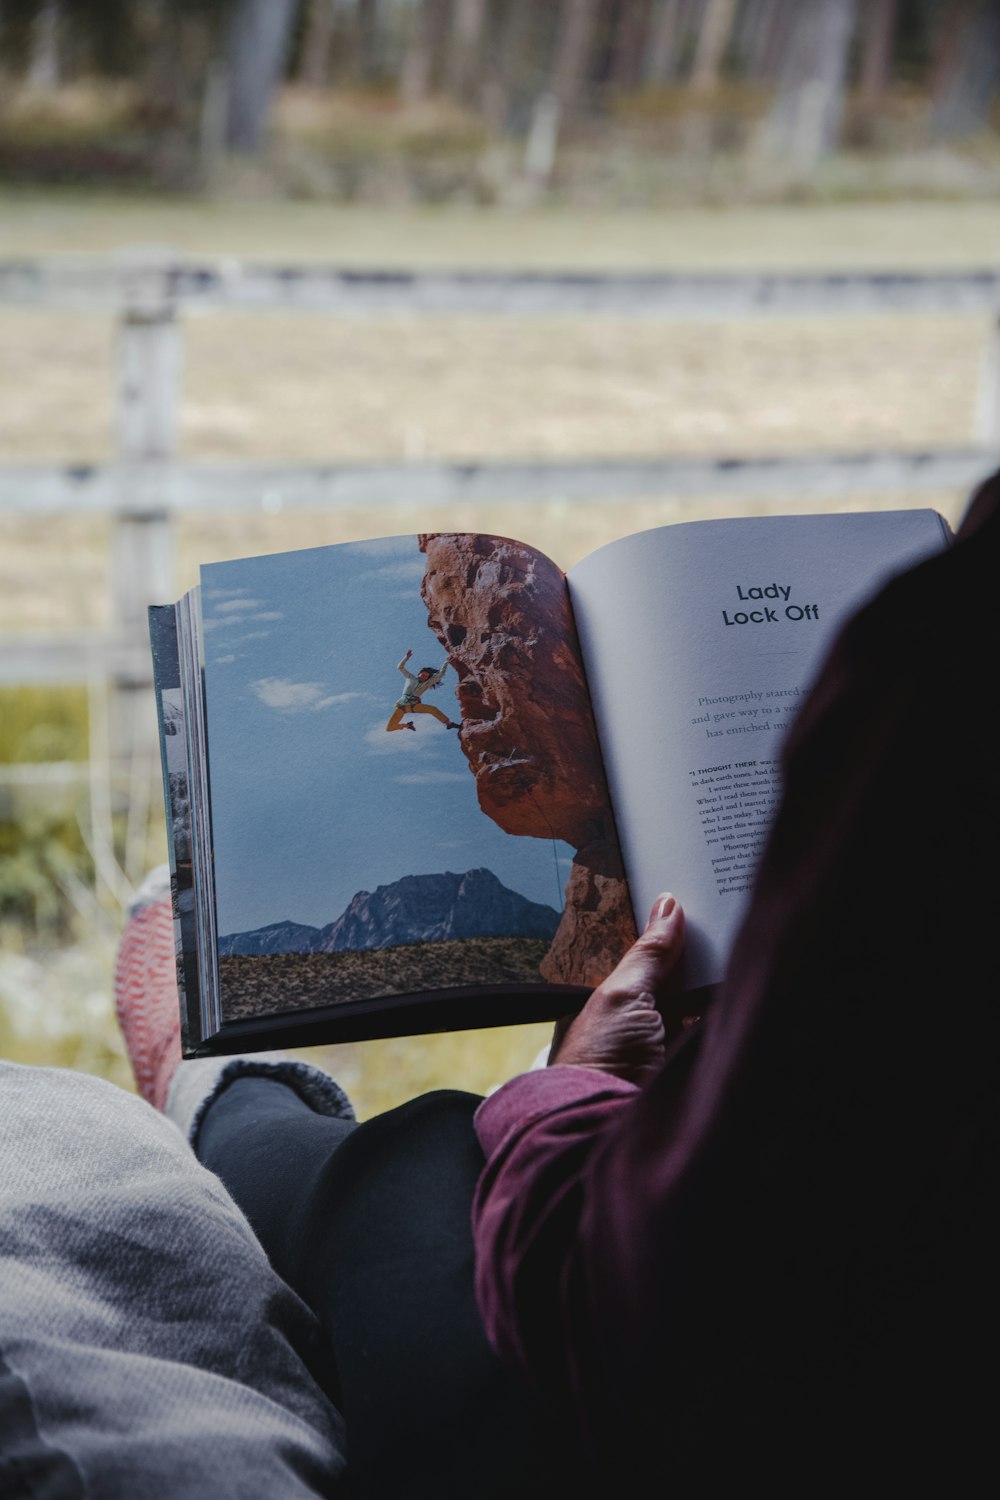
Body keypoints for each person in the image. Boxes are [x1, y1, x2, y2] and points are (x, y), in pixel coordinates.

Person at [385, 647, 461, 732]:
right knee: (389, 728)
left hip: (414, 705)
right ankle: (408, 725)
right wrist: (406, 657)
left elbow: (440, 675)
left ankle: (449, 724)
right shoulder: (411, 678)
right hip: (401, 706)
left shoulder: (427, 683)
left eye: (426, 676)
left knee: (433, 709)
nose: (423, 677)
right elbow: (400, 667)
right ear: (419, 673)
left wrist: (446, 663)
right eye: (422, 674)